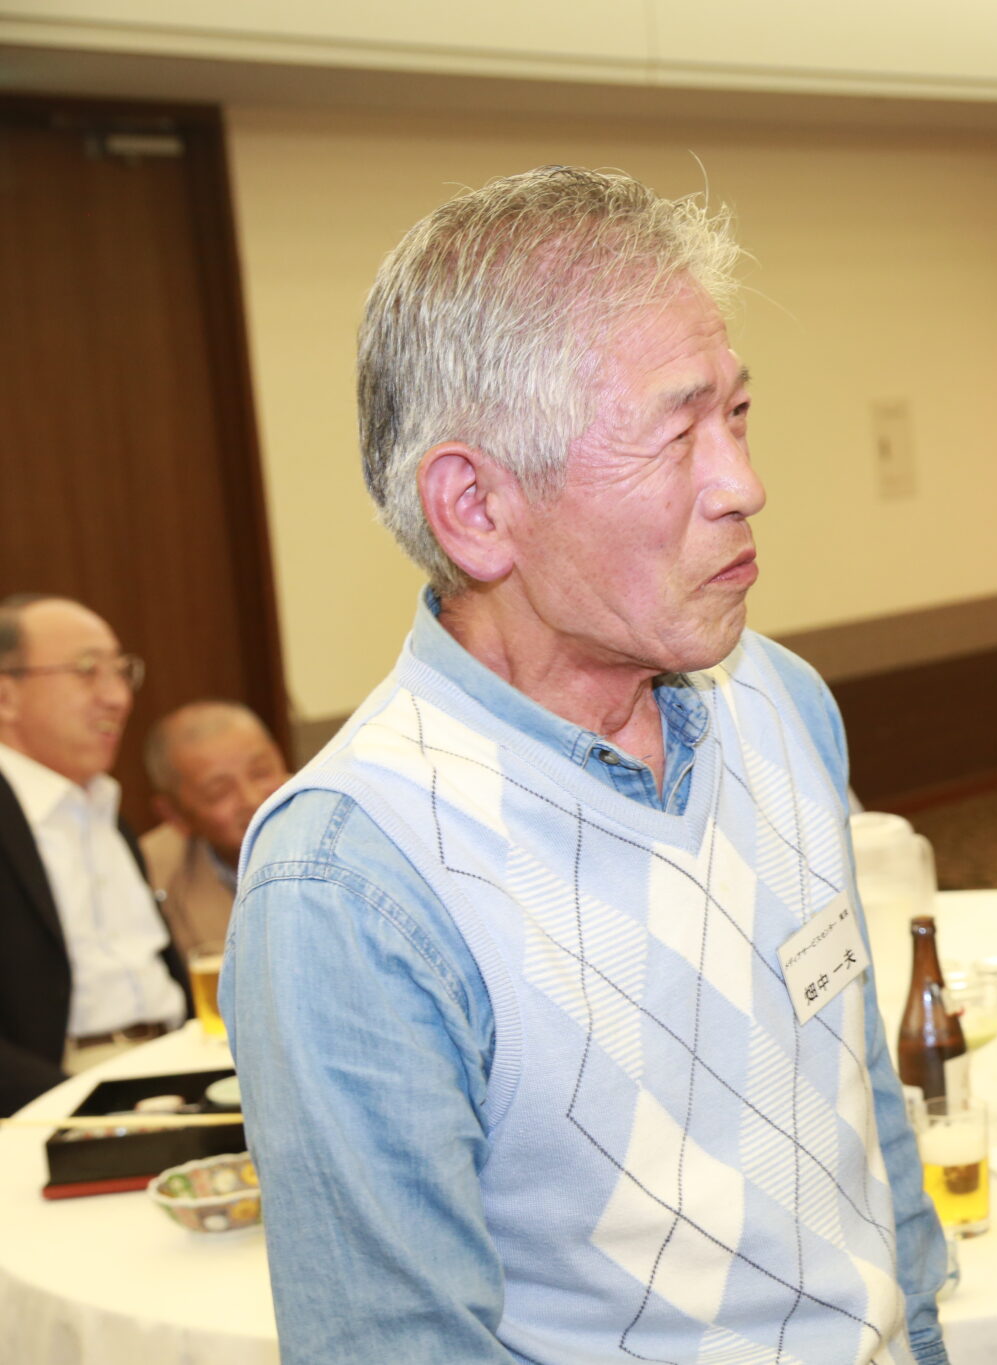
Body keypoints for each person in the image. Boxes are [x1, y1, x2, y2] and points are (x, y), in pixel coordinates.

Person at [221, 167, 949, 1364]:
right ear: (474, 508)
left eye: (737, 414)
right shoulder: (352, 884)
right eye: (676, 433)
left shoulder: (778, 702)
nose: (744, 484)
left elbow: (859, 1113)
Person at [0, 594, 187, 1112]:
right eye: (87, 671)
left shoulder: (105, 812)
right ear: (6, 696)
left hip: (178, 1069)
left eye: (122, 672)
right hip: (57, 1099)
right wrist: (71, 1105)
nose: (117, 697)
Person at [139, 700, 291, 958]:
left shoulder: (345, 827)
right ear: (174, 815)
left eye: (261, 772)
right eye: (219, 792)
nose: (253, 800)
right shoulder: (149, 876)